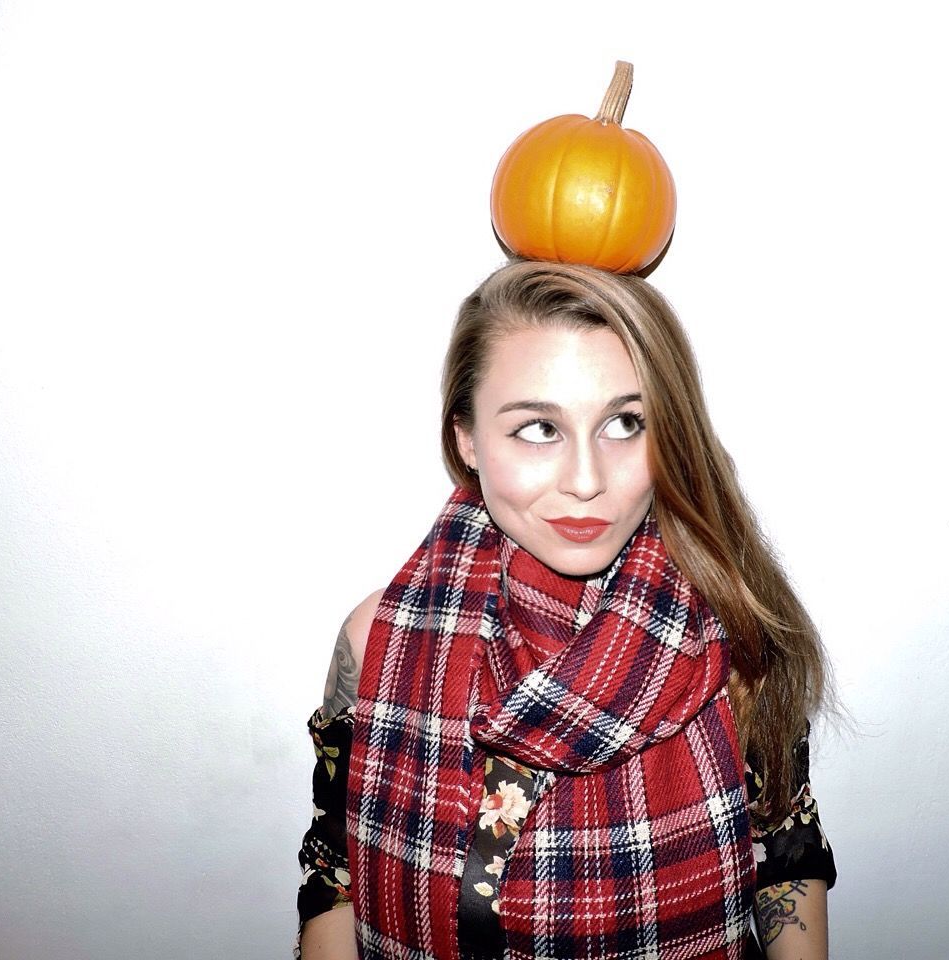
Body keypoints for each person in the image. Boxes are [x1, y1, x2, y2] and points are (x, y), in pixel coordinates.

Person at [296, 260, 836, 960]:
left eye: (625, 422)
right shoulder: (378, 642)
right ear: (466, 438)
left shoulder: (731, 634)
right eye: (537, 429)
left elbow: (787, 862)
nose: (586, 481)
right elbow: (334, 877)